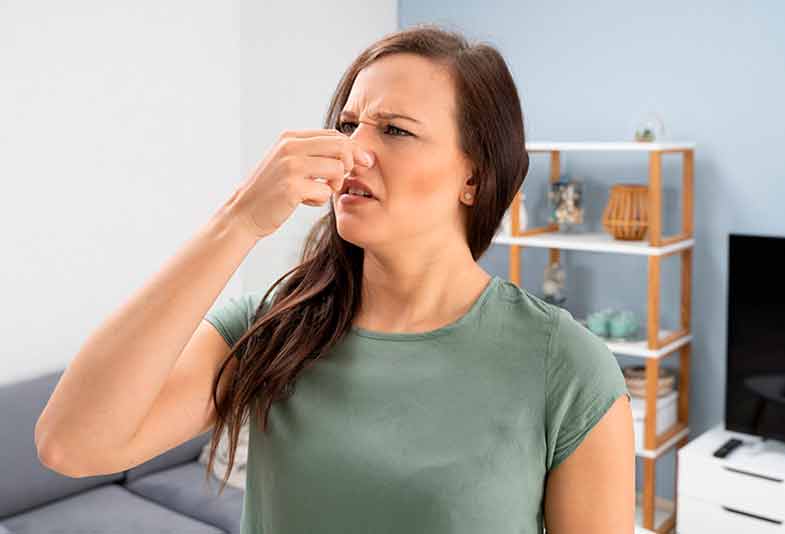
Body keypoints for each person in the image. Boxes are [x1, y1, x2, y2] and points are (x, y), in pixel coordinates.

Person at [36, 23, 634, 534]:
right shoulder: (272, 328)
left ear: (474, 179)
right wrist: (238, 220)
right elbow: (71, 443)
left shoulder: (566, 369)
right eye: (349, 125)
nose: (353, 151)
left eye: (394, 130)